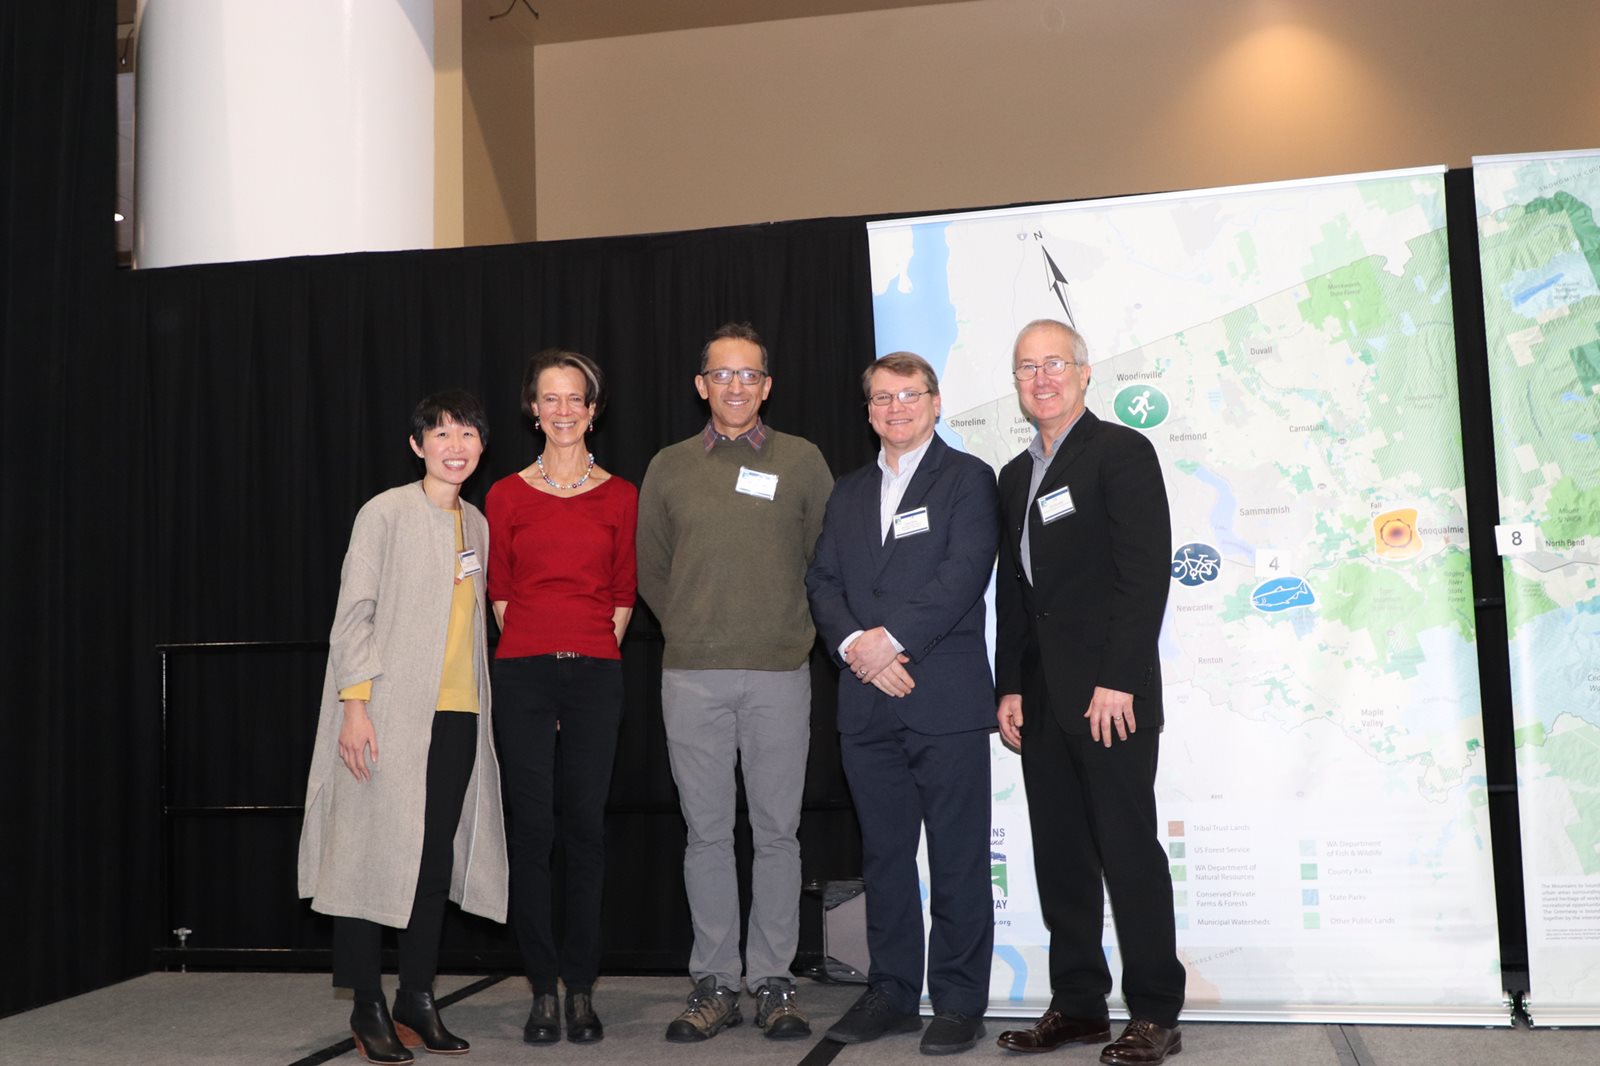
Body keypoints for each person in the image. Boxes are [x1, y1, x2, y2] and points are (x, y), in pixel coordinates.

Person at [991, 320, 1184, 1064]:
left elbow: (1145, 576)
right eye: (1027, 368)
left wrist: (1118, 679)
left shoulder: (1122, 453)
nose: (1042, 378)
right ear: (1014, 383)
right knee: (1062, 858)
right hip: (1041, 701)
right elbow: (1014, 592)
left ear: (1084, 372)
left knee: (1128, 853)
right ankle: (1078, 1006)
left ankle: (1156, 1013)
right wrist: (1009, 686)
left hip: (1112, 698)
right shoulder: (1014, 475)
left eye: (1055, 364)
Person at [635, 322, 834, 1043]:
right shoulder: (669, 466)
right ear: (701, 385)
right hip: (691, 675)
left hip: (782, 671)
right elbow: (653, 570)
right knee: (707, 835)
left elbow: (823, 560)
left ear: (768, 385)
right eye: (722, 375)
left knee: (778, 834)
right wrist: (695, 624)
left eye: (749, 375)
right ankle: (715, 981)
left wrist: (781, 627)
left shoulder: (804, 461)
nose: (736, 387)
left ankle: (775, 980)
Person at [298, 391, 508, 1065]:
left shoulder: (475, 523)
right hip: (385, 712)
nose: (457, 444)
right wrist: (353, 706)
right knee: (368, 855)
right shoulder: (384, 512)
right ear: (417, 445)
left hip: (458, 713)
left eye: (469, 433)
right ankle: (367, 1003)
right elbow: (353, 613)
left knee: (429, 862)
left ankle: (418, 997)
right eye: (442, 433)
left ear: (482, 445)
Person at [806, 352, 1000, 1055]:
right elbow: (822, 580)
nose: (895, 408)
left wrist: (890, 643)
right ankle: (891, 992)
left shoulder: (970, 479)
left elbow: (963, 574)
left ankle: (957, 1002)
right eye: (882, 398)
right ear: (867, 411)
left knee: (957, 857)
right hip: (865, 702)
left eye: (909, 395)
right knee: (885, 858)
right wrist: (859, 645)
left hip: (941, 697)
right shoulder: (849, 491)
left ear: (936, 402)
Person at [486, 349, 637, 1046]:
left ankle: (582, 989)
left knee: (584, 831)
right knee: (532, 834)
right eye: (551, 399)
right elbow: (501, 594)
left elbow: (621, 597)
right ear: (534, 409)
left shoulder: (621, 496)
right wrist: (540, 657)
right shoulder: (506, 496)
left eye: (576, 398)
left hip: (595, 674)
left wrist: (581, 657)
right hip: (522, 672)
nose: (564, 410)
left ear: (593, 408)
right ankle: (541, 989)